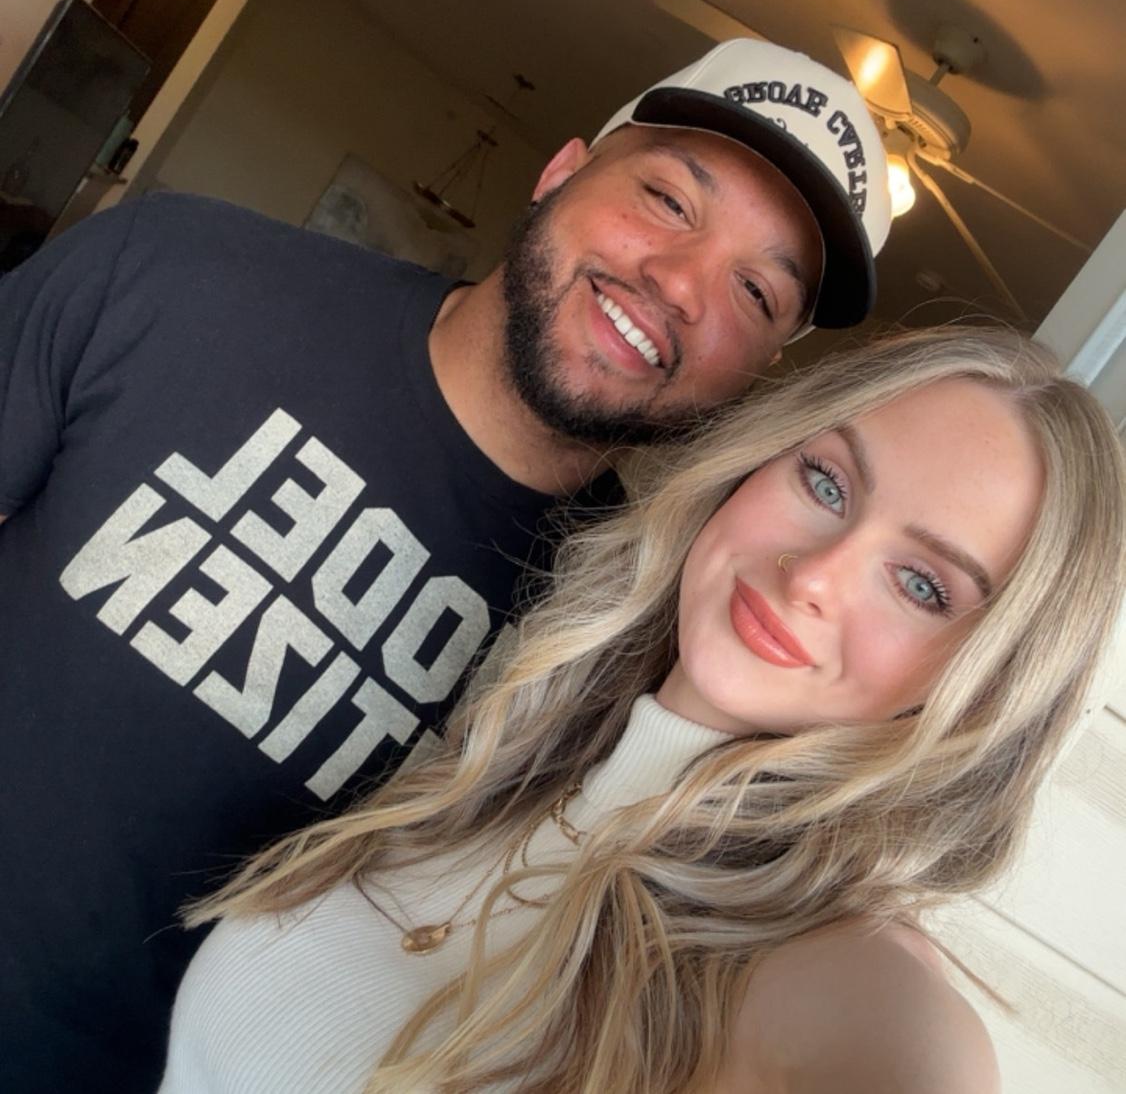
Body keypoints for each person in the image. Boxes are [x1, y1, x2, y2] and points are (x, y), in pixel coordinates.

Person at [0, 39, 889, 1091]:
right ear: (561, 171)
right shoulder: (173, 269)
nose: (681, 284)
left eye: (754, 291)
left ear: (759, 374)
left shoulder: (627, 639)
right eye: (666, 199)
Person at [160, 326, 1125, 1093]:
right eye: (827, 481)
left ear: (982, 690)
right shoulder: (507, 757)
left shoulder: (844, 982)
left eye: (921, 585)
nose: (815, 576)